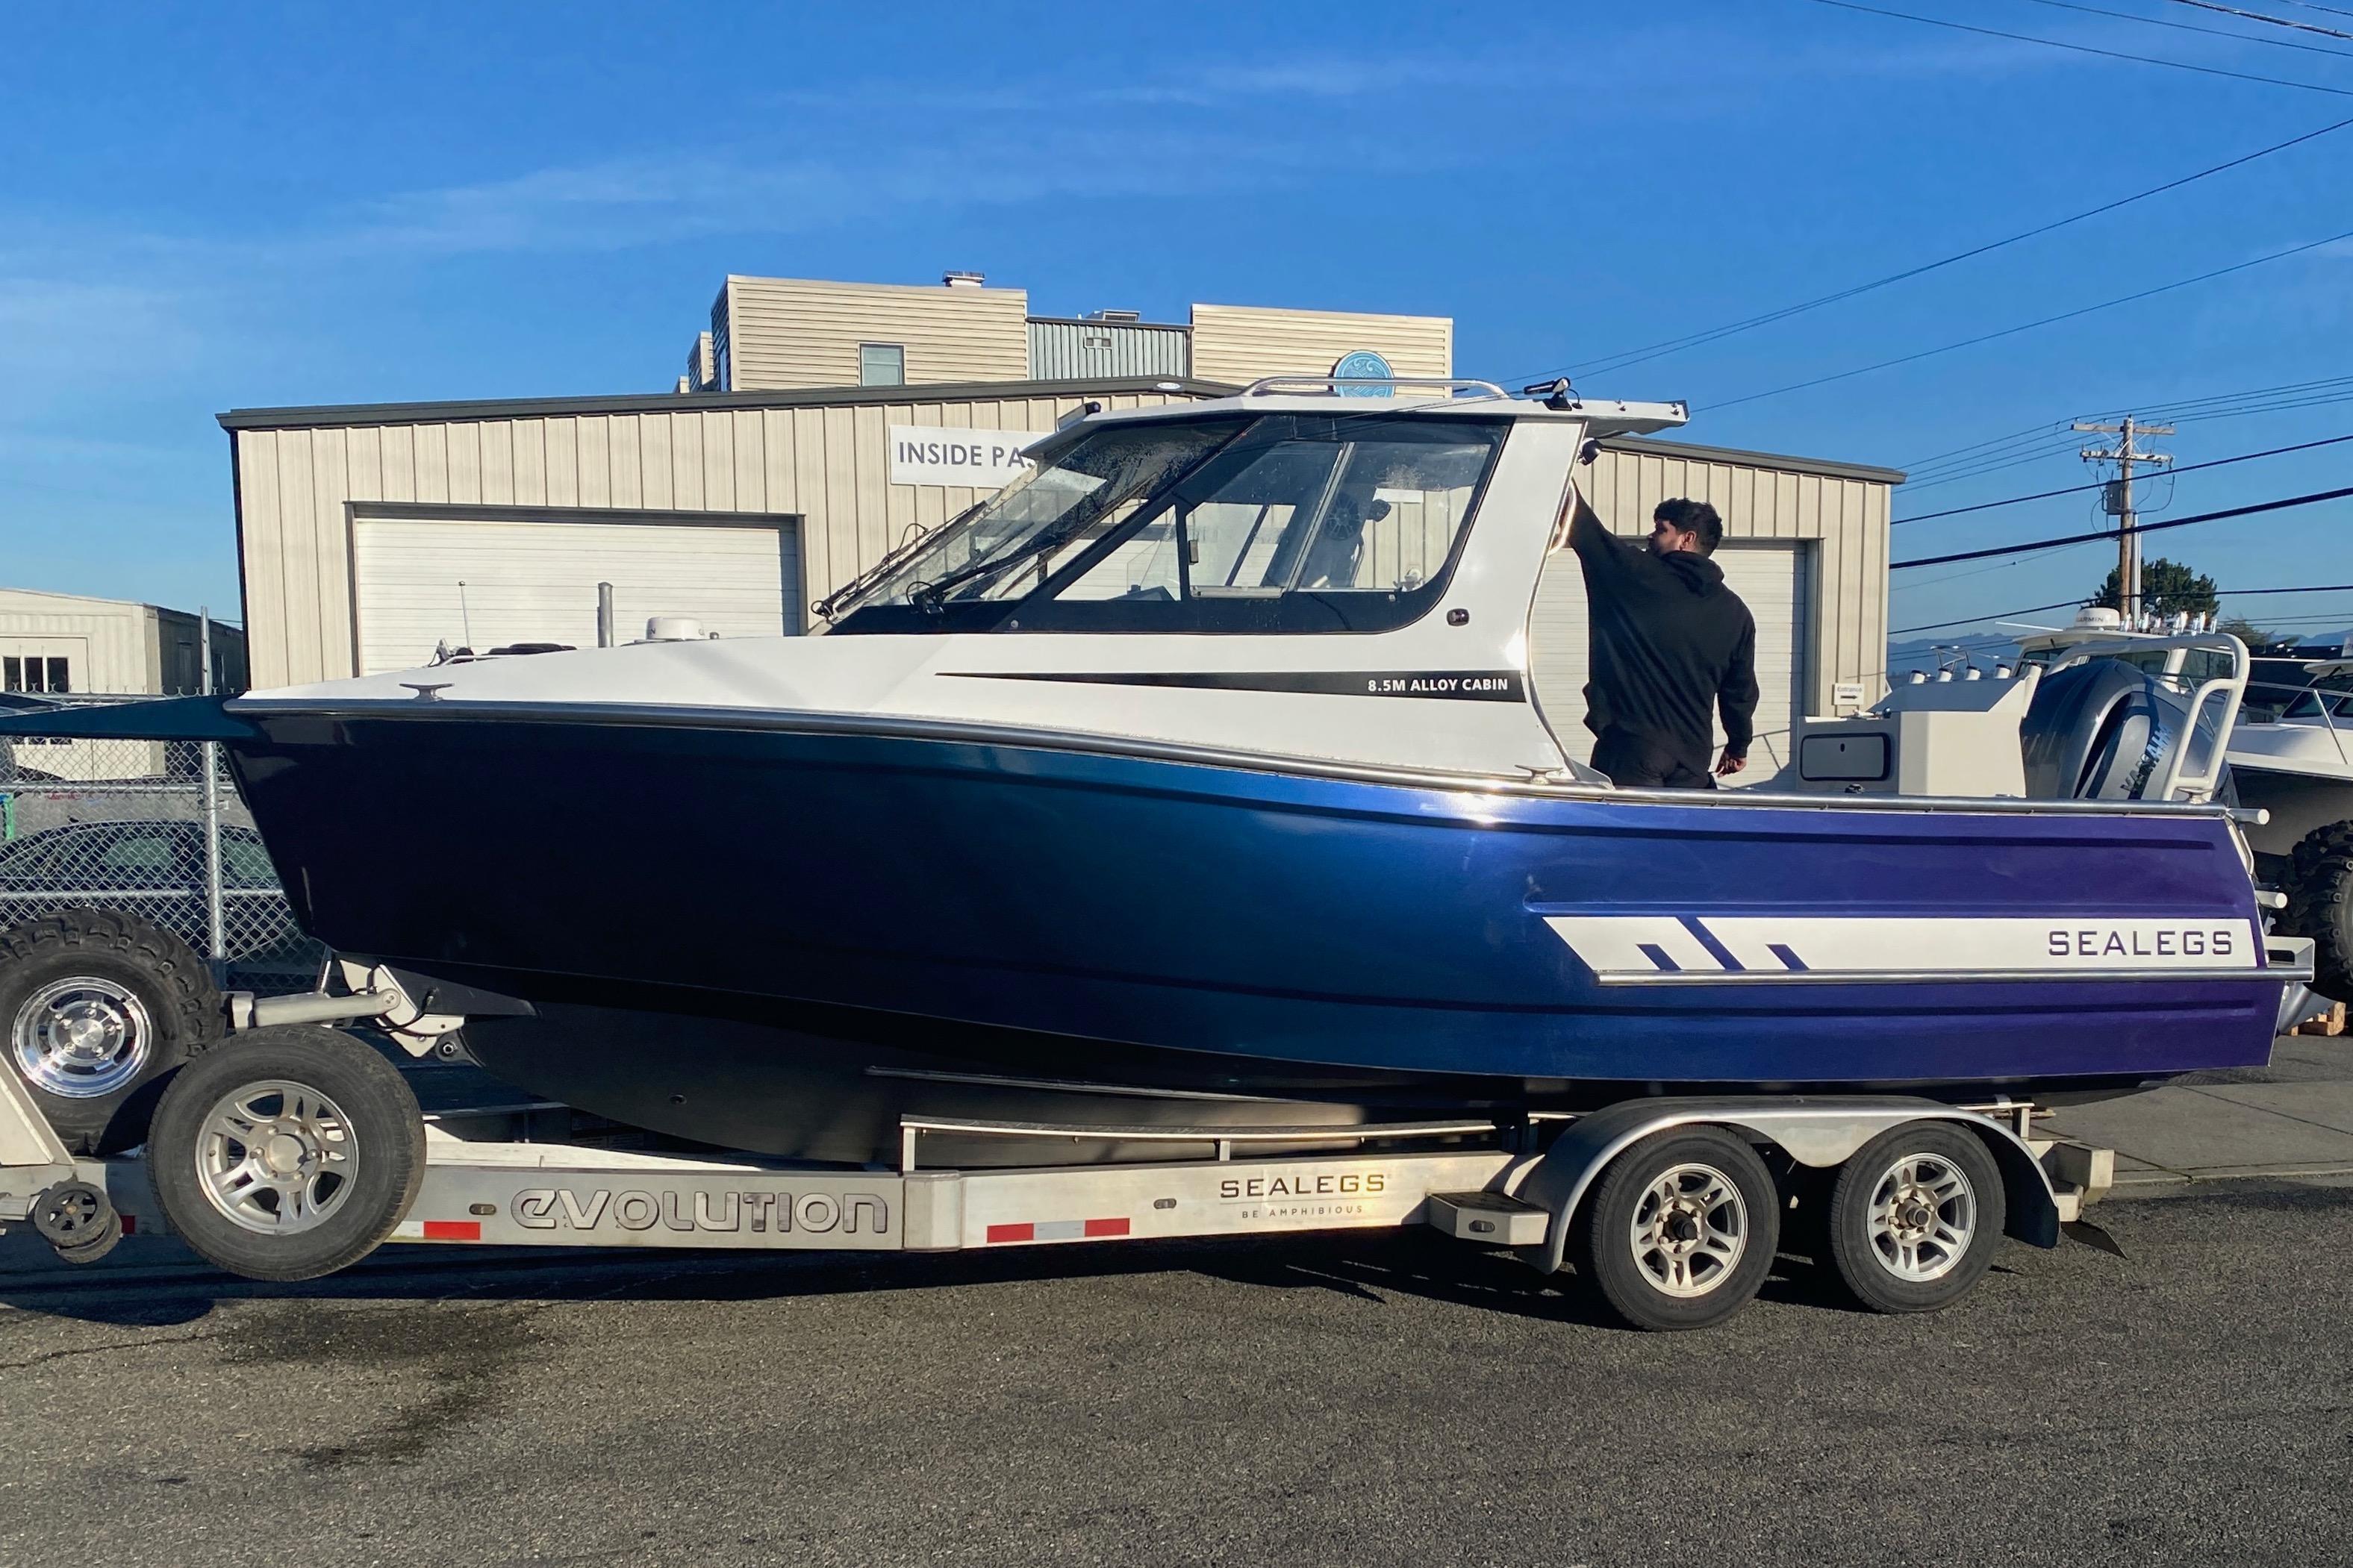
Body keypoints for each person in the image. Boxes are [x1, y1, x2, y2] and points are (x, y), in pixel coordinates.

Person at [1562, 490, 1759, 790]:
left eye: (1660, 529)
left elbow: (1584, 528)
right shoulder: (1736, 613)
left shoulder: (1637, 575)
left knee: (1621, 822)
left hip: (1632, 749)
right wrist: (1738, 745)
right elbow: (1740, 692)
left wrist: (1555, 470)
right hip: (1692, 762)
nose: (1650, 537)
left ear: (1687, 539)